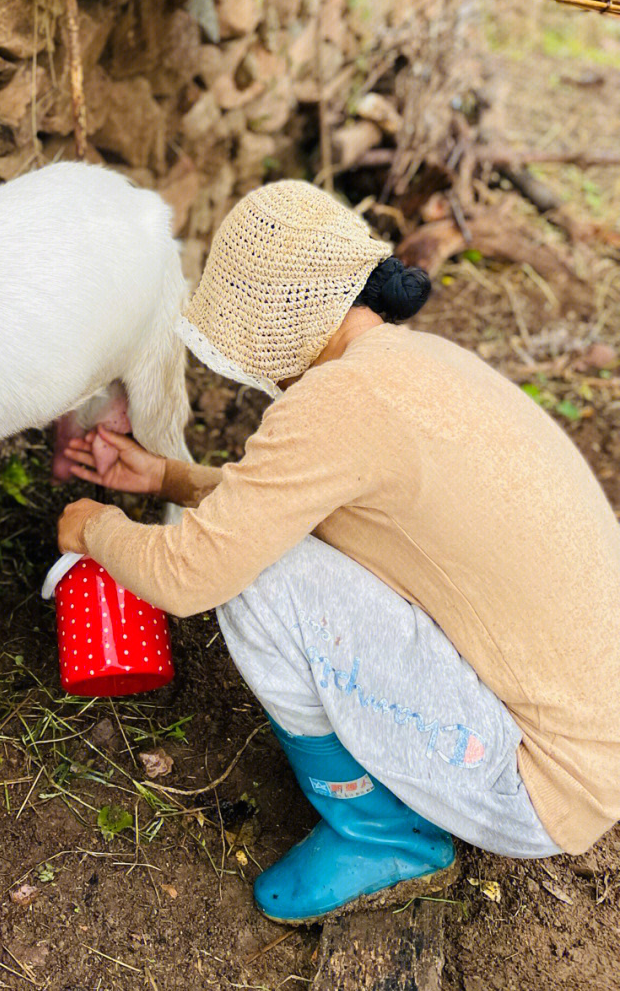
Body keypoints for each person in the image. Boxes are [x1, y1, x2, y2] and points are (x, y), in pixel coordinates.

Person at [57, 180, 620, 923]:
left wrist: (91, 526)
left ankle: (383, 830)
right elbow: (327, 504)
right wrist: (170, 477)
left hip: (532, 785)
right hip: (589, 746)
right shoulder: (410, 364)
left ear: (270, 322)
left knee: (261, 579)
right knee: (273, 548)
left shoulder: (330, 405)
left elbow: (191, 574)